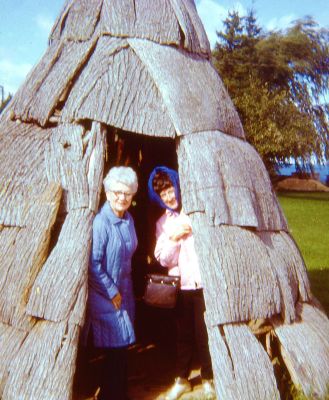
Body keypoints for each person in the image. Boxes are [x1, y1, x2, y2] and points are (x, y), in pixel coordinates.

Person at [148, 166, 216, 400]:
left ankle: (208, 377)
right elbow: (164, 259)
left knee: (204, 333)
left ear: (178, 186)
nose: (169, 196)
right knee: (183, 334)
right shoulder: (163, 223)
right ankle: (182, 379)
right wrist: (174, 238)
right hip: (182, 285)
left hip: (204, 282)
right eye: (163, 194)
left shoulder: (194, 210)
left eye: (170, 189)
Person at [83, 166, 138, 400]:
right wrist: (112, 291)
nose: (121, 197)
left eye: (126, 193)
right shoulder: (101, 222)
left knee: (122, 351)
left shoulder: (128, 220)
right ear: (107, 193)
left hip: (125, 292)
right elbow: (93, 264)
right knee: (114, 351)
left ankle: (116, 394)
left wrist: (123, 291)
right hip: (105, 294)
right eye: (116, 192)